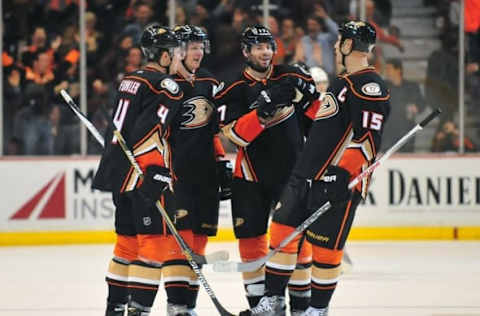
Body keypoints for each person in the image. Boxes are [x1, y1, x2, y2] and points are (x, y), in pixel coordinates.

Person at [241, 20, 390, 316]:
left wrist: (344, 173)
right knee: (282, 232)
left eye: (339, 43)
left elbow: (368, 140)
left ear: (348, 46)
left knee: (326, 251)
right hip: (305, 177)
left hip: (335, 181)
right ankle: (273, 301)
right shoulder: (342, 82)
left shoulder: (369, 86)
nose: (335, 47)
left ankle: (317, 310)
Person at [215, 25, 323, 315]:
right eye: (258, 47)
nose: (265, 52)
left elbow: (322, 120)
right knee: (251, 241)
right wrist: (263, 110)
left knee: (296, 242)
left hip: (293, 176)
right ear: (246, 52)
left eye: (268, 46)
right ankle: (261, 307)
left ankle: (301, 309)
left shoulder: (292, 75)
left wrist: (311, 97)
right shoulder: (233, 89)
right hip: (250, 178)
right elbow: (235, 136)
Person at [92, 24, 184, 316]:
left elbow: (121, 129)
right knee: (153, 247)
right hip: (143, 174)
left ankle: (115, 308)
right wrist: (155, 171)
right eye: (176, 52)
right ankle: (138, 311)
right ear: (166, 55)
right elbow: (150, 130)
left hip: (120, 174)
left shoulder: (130, 80)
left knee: (126, 246)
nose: (179, 57)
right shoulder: (167, 85)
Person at [160, 25, 232, 316]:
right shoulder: (163, 84)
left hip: (205, 175)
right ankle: (176, 306)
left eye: (201, 46)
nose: (198, 52)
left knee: (198, 242)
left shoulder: (209, 82)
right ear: (177, 51)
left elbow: (214, 131)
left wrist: (221, 162)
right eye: (192, 47)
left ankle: (187, 307)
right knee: (181, 242)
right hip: (177, 176)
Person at [382, 58, 425, 152]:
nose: (387, 71)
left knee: (407, 158)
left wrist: (416, 107)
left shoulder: (412, 86)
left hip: (406, 129)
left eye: (389, 68)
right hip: (387, 131)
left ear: (398, 70)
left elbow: (421, 104)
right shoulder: (383, 86)